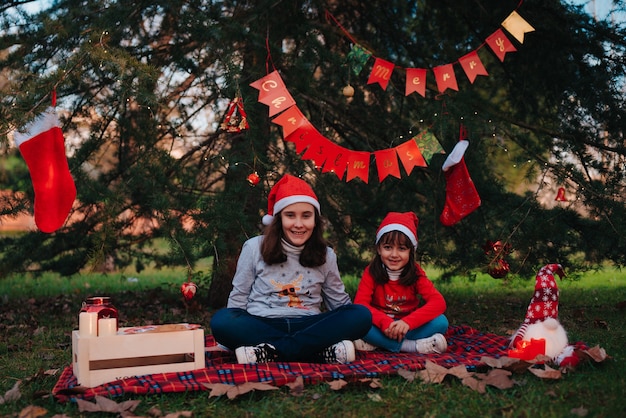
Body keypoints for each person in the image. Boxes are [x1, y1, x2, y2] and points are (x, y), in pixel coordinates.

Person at [210, 174, 372, 364]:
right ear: (278, 219)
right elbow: (239, 296)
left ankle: (271, 352)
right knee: (222, 321)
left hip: (308, 325)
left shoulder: (326, 255)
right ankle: (316, 352)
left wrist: (351, 322)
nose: (298, 224)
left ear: (315, 220)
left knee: (361, 315)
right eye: (290, 215)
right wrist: (230, 335)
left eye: (306, 216)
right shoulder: (254, 247)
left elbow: (339, 303)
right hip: (262, 323)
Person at [353, 211, 449, 354]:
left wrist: (408, 323)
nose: (394, 254)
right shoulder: (371, 271)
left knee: (441, 322)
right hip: (381, 326)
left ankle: (379, 343)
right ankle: (412, 347)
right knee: (356, 321)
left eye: (402, 248)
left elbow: (438, 302)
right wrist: (385, 323)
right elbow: (361, 304)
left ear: (411, 251)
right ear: (379, 249)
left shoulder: (415, 273)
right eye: (388, 247)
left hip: (407, 327)